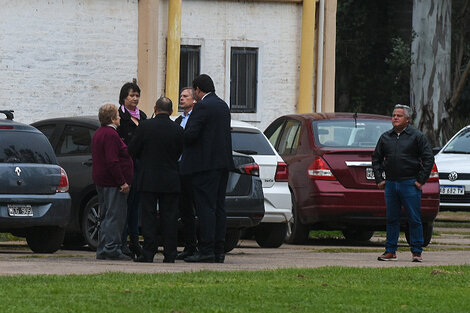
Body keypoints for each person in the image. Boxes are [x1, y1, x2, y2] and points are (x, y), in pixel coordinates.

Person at [180, 74, 234, 263]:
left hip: (204, 165)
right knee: (219, 207)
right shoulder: (223, 106)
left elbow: (191, 134)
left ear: (197, 90)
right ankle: (219, 250)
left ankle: (206, 249)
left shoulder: (202, 106)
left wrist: (182, 135)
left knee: (205, 208)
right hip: (222, 164)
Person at [372, 104, 434, 262]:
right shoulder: (386, 137)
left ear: (407, 119)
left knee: (414, 218)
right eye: (393, 115)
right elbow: (376, 159)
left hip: (410, 184)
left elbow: (428, 158)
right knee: (392, 218)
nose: (395, 118)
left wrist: (420, 180)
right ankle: (390, 251)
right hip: (391, 184)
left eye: (399, 116)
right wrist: (379, 178)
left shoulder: (417, 136)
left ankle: (417, 251)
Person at [128, 97, 183, 263]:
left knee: (149, 216)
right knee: (170, 217)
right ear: (172, 111)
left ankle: (148, 252)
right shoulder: (178, 129)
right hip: (170, 178)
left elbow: (133, 150)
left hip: (149, 177)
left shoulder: (145, 126)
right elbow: (180, 151)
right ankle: (170, 253)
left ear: (155, 108)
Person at [92, 104, 134, 261]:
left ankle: (104, 247)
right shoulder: (110, 134)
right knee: (115, 215)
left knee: (105, 215)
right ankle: (111, 248)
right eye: (117, 115)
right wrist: (122, 181)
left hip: (102, 181)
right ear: (112, 118)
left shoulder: (99, 133)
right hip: (112, 182)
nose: (120, 117)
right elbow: (112, 161)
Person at [117, 82, 147, 259]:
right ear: (124, 97)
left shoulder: (142, 116)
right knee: (124, 207)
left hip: (140, 166)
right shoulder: (119, 116)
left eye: (137, 96)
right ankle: (121, 242)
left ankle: (134, 241)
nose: (135, 99)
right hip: (126, 166)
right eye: (131, 96)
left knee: (136, 207)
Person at [175, 87, 198, 260]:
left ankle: (199, 244)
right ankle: (188, 245)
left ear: (194, 99)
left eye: (185, 96)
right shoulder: (178, 120)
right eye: (181, 96)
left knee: (196, 208)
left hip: (193, 169)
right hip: (179, 168)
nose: (181, 99)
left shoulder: (197, 119)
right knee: (184, 210)